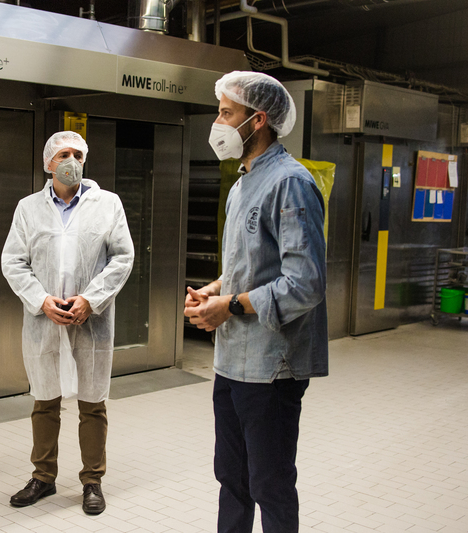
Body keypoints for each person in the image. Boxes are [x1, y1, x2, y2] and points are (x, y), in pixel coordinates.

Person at [184, 71, 328, 533]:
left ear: (258, 119)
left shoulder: (291, 183)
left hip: (272, 367)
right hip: (231, 363)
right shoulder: (243, 183)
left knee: (270, 484)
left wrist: (231, 306)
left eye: (226, 113)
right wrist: (217, 288)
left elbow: (305, 283)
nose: (218, 122)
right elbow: (252, 261)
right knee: (232, 478)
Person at [1, 131, 134, 515]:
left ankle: (92, 481)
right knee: (45, 400)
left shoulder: (108, 204)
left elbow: (122, 258)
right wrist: (41, 301)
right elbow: (13, 261)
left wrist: (90, 300)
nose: (71, 159)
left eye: (78, 153)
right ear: (48, 163)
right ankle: (43, 477)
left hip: (90, 320)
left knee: (93, 402)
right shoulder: (28, 208)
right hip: (44, 319)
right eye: (63, 154)